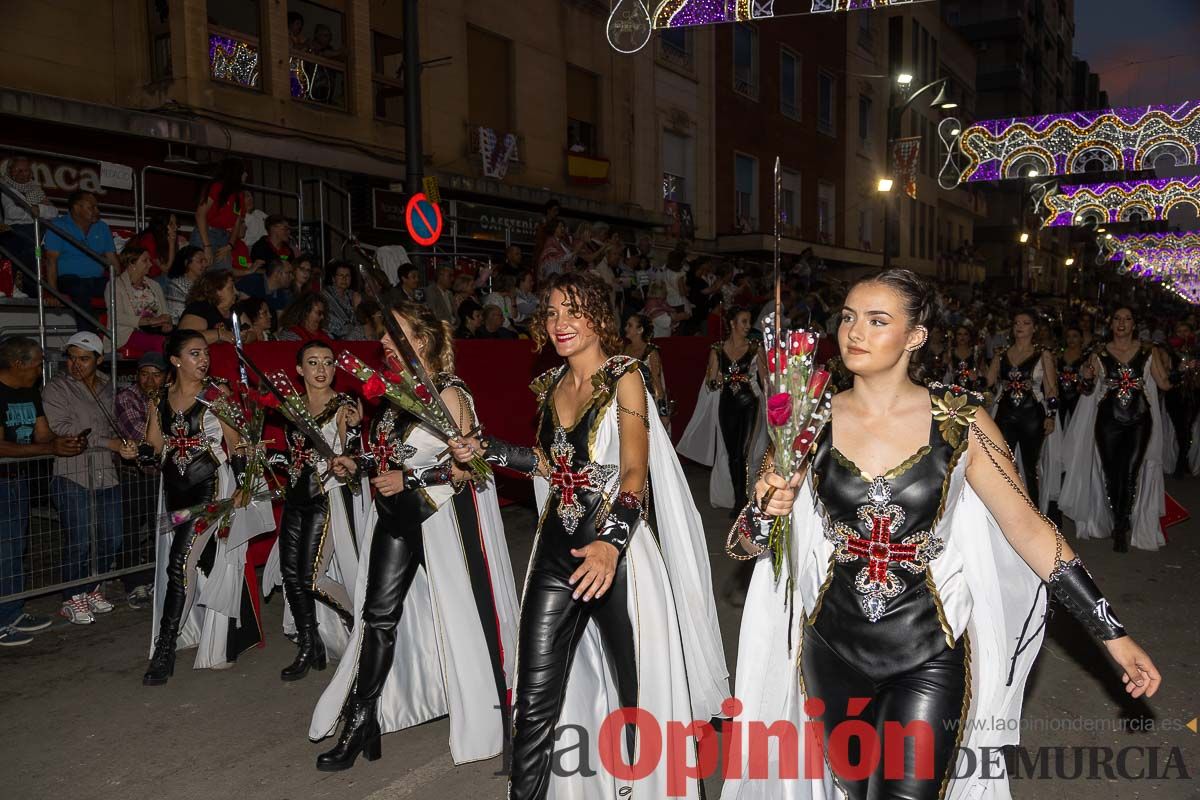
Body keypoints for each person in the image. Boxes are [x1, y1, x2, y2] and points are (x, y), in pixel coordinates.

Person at [724, 269, 1162, 800]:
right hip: (830, 650)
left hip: (929, 654)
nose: (854, 332)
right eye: (848, 318)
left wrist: (1111, 632)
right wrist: (765, 510)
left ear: (916, 336)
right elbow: (745, 545)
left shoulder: (962, 422)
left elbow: (1029, 528)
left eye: (877, 321)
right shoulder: (805, 419)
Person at [448, 271, 727, 798]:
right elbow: (550, 464)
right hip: (556, 553)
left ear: (597, 317)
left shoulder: (625, 377)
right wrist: (486, 449)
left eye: (573, 311)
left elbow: (635, 473)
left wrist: (611, 544)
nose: (560, 323)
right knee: (533, 698)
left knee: (636, 698)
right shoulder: (551, 385)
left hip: (616, 558)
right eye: (552, 313)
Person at [310, 302, 519, 771]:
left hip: (440, 518)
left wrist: (410, 480)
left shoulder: (451, 393)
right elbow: (392, 454)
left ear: (420, 341)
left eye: (394, 333)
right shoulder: (392, 395)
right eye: (383, 333)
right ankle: (361, 722)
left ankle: (495, 713)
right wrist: (357, 463)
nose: (383, 341)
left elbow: (470, 466)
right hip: (395, 519)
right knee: (376, 616)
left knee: (465, 614)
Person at [142, 330, 267, 684]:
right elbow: (154, 446)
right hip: (174, 492)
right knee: (202, 561)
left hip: (210, 491)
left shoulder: (216, 395)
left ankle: (164, 649)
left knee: (180, 562)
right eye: (195, 353)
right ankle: (226, 634)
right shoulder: (159, 399)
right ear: (175, 360)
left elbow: (236, 444)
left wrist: (244, 485)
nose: (204, 359)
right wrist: (137, 451)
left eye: (206, 353)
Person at [262, 342, 367, 680]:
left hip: (326, 497)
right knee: (290, 575)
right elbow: (295, 458)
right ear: (299, 369)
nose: (321, 369)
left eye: (328, 362)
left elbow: (353, 458)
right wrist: (263, 455)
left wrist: (353, 435)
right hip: (295, 499)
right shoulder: (292, 406)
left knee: (311, 577)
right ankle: (310, 645)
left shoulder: (343, 406)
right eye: (313, 362)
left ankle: (363, 623)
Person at [43, 332, 138, 624]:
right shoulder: (56, 388)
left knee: (112, 537)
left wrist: (126, 442)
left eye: (83, 359)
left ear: (98, 359)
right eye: (71, 357)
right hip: (72, 473)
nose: (75, 364)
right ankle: (72, 596)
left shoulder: (109, 388)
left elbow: (117, 424)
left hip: (106, 474)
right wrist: (111, 443)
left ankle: (91, 587)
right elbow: (64, 430)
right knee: (80, 540)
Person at [1061, 306, 1172, 552]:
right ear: (1111, 324)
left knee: (1131, 471)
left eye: (1127, 319)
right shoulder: (1099, 353)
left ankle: (1121, 525)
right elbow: (1087, 390)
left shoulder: (1148, 351)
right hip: (1108, 420)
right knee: (1112, 473)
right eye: (1117, 319)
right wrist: (1086, 377)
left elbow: (1164, 384)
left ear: (1134, 325)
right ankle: (1118, 517)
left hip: (1139, 419)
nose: (1122, 323)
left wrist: (1181, 371)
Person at [0, 337, 83, 647]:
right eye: (37, 365)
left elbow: (44, 434)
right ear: (17, 364)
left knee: (14, 549)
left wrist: (65, 441)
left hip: (16, 480)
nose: (40, 371)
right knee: (4, 551)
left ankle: (11, 611)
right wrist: (49, 448)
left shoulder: (29, 391)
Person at [677, 306, 768, 512]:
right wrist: (715, 379)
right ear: (732, 324)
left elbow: (765, 381)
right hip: (727, 405)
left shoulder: (755, 348)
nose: (748, 326)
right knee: (733, 454)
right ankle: (738, 499)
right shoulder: (717, 349)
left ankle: (742, 501)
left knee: (743, 452)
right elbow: (710, 383)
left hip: (749, 404)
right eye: (744, 321)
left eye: (749, 321)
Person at [985, 309, 1060, 509]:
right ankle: (1001, 508)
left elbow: (1051, 388)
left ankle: (1033, 512)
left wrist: (1051, 416)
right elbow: (988, 383)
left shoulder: (1042, 354)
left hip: (1032, 415)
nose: (1020, 327)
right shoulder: (1001, 354)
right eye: (1017, 322)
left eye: (1026, 323)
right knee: (1002, 462)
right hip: (1005, 414)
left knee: (1030, 467)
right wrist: (978, 374)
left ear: (1034, 328)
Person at [114, 351, 167, 609]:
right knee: (131, 531)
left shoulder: (170, 395)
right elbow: (142, 437)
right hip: (134, 474)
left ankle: (160, 577)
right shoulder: (127, 397)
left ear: (166, 376)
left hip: (163, 474)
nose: (149, 380)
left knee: (163, 528)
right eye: (144, 374)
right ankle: (135, 583)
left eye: (156, 375)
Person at [41, 190, 121, 333]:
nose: (97, 211)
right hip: (69, 280)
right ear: (77, 208)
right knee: (79, 288)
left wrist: (123, 284)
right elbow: (51, 261)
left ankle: (119, 334)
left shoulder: (102, 227)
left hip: (96, 281)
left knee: (119, 288)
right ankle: (87, 335)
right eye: (92, 207)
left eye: (97, 207)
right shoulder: (58, 226)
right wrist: (52, 293)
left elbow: (113, 260)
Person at [0, 156, 58, 273]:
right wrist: (34, 212)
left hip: (38, 228)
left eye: (25, 170)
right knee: (31, 249)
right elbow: (11, 213)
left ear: (30, 172)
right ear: (10, 171)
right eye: (17, 170)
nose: (21, 174)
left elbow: (54, 211)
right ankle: (31, 281)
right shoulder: (5, 188)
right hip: (15, 229)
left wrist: (39, 210)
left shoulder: (35, 189)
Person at [110, 244, 171, 354]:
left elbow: (165, 313)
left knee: (181, 340)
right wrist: (148, 321)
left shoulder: (154, 285)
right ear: (132, 263)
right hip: (128, 333)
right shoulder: (116, 285)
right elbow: (116, 317)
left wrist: (166, 323)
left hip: (154, 330)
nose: (150, 264)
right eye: (145, 261)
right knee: (161, 342)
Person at [190, 158, 247, 272]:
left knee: (223, 276)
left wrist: (230, 245)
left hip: (224, 240)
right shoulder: (217, 187)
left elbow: (237, 223)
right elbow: (200, 214)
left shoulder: (239, 195)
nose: (246, 174)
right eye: (243, 171)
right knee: (200, 273)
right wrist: (207, 246)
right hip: (206, 235)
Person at [1162, 320, 1199, 477]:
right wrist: (1178, 370)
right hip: (1175, 394)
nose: (1183, 334)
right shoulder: (1168, 352)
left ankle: (1183, 462)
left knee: (1188, 427)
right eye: (1179, 331)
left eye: (1186, 331)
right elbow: (1164, 374)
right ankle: (1181, 464)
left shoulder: (1196, 351)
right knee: (1180, 428)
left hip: (1194, 393)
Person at [622, 313, 671, 428]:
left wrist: (663, 413)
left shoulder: (651, 352)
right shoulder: (625, 349)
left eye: (630, 325)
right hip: (626, 400)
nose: (625, 328)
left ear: (640, 330)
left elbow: (657, 383)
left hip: (645, 403)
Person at [178, 271, 238, 345]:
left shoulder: (235, 308)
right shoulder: (200, 308)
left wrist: (245, 336)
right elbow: (185, 338)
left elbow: (251, 331)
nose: (236, 292)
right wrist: (220, 334)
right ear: (216, 290)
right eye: (231, 288)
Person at [165, 245, 210, 324]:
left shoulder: (206, 283)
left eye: (205, 261)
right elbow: (178, 315)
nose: (205, 265)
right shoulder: (175, 286)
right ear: (187, 263)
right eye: (200, 261)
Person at [127, 213, 178, 280]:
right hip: (142, 277)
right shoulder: (149, 239)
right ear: (161, 225)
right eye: (171, 224)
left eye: (176, 223)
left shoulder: (162, 239)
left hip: (154, 277)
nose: (176, 227)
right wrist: (172, 244)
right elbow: (166, 268)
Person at [321, 261, 362, 339]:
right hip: (331, 337)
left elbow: (360, 322)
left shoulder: (352, 295)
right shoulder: (325, 296)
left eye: (347, 276)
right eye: (341, 275)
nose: (344, 279)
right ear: (333, 278)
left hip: (353, 337)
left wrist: (356, 308)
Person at [946, 323, 986, 392]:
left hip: (972, 390)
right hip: (953, 390)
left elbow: (983, 373)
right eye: (959, 334)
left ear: (969, 337)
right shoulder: (949, 353)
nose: (962, 337)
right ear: (955, 336)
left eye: (965, 334)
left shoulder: (976, 353)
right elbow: (946, 374)